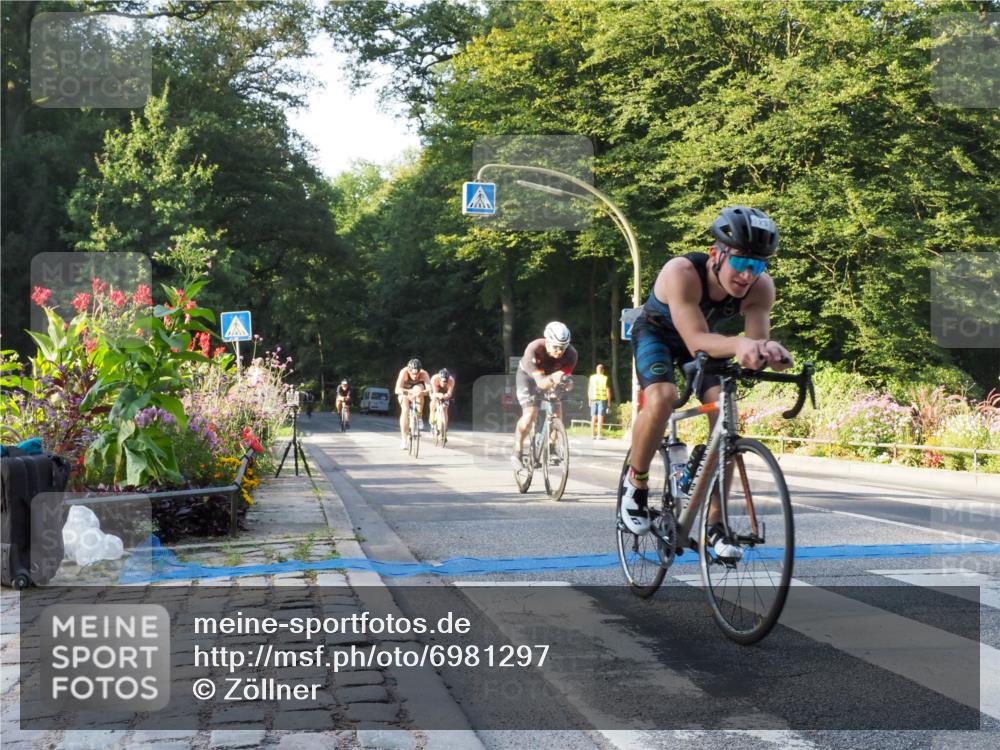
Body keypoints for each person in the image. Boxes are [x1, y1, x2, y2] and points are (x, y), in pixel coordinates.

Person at [622, 206, 792, 556]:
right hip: (658, 334)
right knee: (662, 397)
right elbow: (696, 339)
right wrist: (741, 345)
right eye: (741, 262)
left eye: (757, 265)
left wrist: (770, 353)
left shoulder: (761, 288)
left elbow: (755, 343)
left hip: (704, 343)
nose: (747, 275)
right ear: (716, 254)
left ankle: (715, 523)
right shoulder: (681, 272)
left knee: (726, 415)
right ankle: (635, 484)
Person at [511, 322, 578, 468]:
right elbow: (541, 383)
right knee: (530, 414)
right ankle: (517, 451)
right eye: (556, 347)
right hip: (528, 378)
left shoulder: (571, 354)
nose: (559, 351)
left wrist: (567, 384)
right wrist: (555, 378)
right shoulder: (534, 349)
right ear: (547, 342)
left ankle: (552, 447)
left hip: (551, 378)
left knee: (557, 409)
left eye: (563, 347)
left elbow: (566, 380)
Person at [394, 358, 432, 449]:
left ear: (420, 371)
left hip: (417, 390)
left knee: (418, 389)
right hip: (405, 392)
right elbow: (397, 390)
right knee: (405, 410)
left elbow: (430, 390)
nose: (415, 376)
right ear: (409, 370)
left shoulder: (424, 373)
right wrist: (408, 392)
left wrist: (421, 393)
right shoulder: (404, 372)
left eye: (417, 374)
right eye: (413, 374)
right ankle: (404, 439)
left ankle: (419, 416)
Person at [429, 368, 455, 444]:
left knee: (445, 408)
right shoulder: (434, 379)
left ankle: (444, 430)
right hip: (435, 391)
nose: (444, 383)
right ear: (439, 379)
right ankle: (432, 420)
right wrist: (438, 395)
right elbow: (434, 393)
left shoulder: (451, 380)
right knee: (433, 403)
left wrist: (446, 395)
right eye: (442, 381)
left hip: (444, 392)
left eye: (445, 381)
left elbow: (449, 393)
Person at [588, 364, 613, 440]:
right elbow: (608, 391)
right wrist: (609, 402)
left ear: (596, 370)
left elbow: (589, 389)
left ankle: (592, 435)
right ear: (603, 370)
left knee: (593, 417)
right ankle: (599, 435)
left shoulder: (592, 378)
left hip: (593, 399)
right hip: (602, 399)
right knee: (600, 417)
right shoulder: (605, 378)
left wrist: (589, 399)